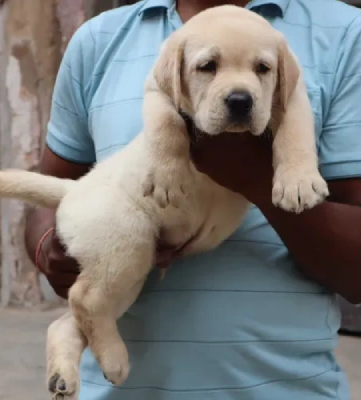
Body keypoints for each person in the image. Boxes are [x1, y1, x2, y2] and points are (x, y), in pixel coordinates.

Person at [25, 0, 361, 399]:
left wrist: (254, 177)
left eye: (261, 69)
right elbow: (51, 188)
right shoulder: (98, 40)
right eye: (208, 66)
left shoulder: (345, 35)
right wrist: (50, 246)